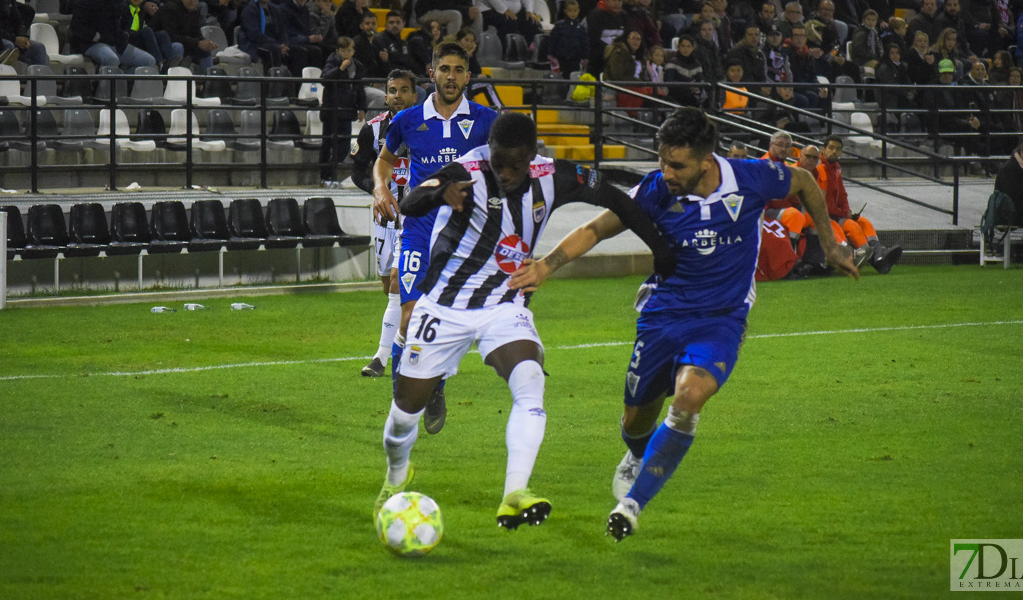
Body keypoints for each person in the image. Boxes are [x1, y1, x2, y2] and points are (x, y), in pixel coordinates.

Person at [505, 107, 859, 541]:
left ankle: (632, 505)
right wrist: (546, 265)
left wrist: (832, 244)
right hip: (664, 314)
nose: (666, 172)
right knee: (636, 418)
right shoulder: (655, 190)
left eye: (677, 165)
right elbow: (596, 228)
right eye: (662, 161)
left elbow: (804, 182)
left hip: (722, 318)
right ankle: (636, 453)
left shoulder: (752, 177)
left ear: (706, 162)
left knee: (690, 397)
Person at [373, 112, 676, 528]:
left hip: (504, 304)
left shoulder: (556, 175)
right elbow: (411, 202)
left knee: (530, 383)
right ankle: (396, 475)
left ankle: (515, 493)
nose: (506, 173)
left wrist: (661, 252)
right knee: (405, 413)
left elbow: (619, 201)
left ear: (532, 156)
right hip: (443, 306)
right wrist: (441, 194)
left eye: (516, 165)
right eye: (499, 162)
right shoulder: (466, 169)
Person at [372, 42, 498, 435]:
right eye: (445, 69)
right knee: (408, 315)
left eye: (459, 70)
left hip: (461, 238)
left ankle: (436, 387)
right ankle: (401, 405)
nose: (451, 76)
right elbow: (384, 161)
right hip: (418, 228)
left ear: (468, 76)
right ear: (432, 72)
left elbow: (503, 168)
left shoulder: (486, 120)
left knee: (439, 319)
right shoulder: (409, 120)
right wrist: (382, 189)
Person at [353, 70, 418, 377]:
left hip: (415, 217)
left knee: (396, 283)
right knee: (387, 284)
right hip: (385, 219)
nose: (398, 96)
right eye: (393, 90)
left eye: (405, 90)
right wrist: (378, 193)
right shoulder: (372, 130)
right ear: (386, 96)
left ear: (414, 96)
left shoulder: (425, 128)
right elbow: (357, 173)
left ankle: (382, 358)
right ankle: (414, 332)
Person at [818, 135, 903, 273]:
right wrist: (843, 214)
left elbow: (842, 194)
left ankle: (879, 257)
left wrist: (847, 210)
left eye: (838, 149)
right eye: (831, 148)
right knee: (852, 226)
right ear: (823, 149)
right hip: (826, 216)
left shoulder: (836, 168)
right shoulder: (819, 168)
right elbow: (821, 201)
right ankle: (865, 257)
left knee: (864, 222)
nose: (834, 152)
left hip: (836, 214)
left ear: (841, 152)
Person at [319, 36, 367, 186]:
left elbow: (359, 89)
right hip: (331, 110)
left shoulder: (358, 66)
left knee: (344, 145)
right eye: (343, 51)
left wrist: (362, 108)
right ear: (338, 51)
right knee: (328, 144)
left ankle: (332, 173)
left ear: (353, 51)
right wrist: (339, 69)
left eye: (349, 50)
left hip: (347, 110)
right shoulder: (332, 62)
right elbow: (324, 79)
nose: (346, 54)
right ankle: (325, 177)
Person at [153, 0, 219, 72]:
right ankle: (176, 76)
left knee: (204, 50)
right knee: (178, 46)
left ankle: (210, 79)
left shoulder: (194, 10)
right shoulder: (170, 9)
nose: (192, 1)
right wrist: (198, 43)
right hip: (161, 44)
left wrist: (205, 43)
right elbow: (171, 36)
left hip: (184, 42)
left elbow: (196, 33)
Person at [547, 0, 588, 76]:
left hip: (575, 59)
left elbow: (584, 44)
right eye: (570, 11)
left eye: (575, 11)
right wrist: (551, 54)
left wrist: (585, 57)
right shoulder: (559, 26)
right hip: (561, 58)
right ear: (565, 11)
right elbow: (553, 40)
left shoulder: (581, 28)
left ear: (578, 11)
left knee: (573, 78)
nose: (572, 13)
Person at [476, 0, 542, 46]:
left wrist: (529, 10)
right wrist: (504, 9)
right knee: (509, 24)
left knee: (533, 23)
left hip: (515, 11)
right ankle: (507, 53)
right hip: (488, 8)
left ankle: (527, 51)